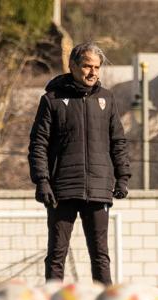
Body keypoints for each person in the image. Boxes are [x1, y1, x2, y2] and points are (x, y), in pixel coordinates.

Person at [28, 42, 131, 285]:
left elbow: (118, 141)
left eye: (97, 67)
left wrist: (123, 177)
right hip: (61, 189)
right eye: (87, 66)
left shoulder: (107, 99)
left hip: (99, 188)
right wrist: (42, 181)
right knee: (56, 254)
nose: (93, 72)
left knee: (100, 255)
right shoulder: (51, 100)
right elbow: (38, 144)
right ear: (73, 66)